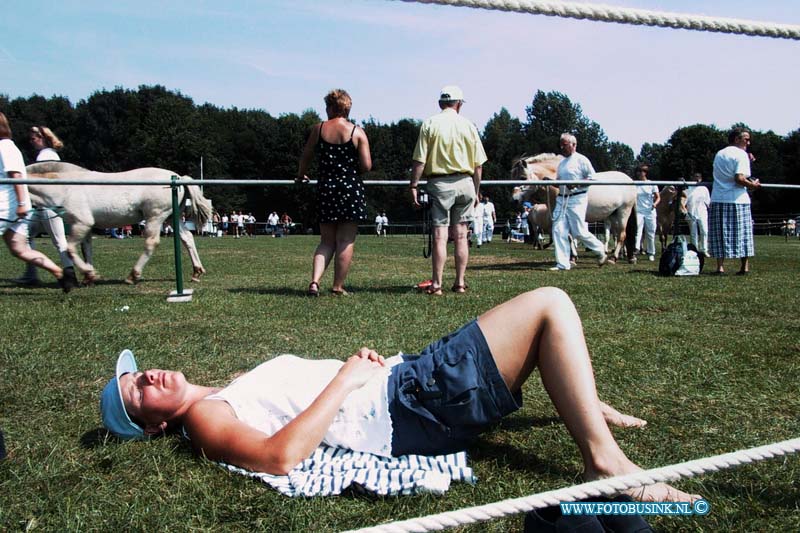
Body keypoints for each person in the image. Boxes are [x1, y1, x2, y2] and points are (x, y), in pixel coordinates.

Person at [100, 287, 699, 504]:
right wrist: (345, 378)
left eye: (141, 372)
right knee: (549, 305)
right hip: (409, 404)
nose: (149, 377)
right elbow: (280, 458)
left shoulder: (222, 393)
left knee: (537, 324)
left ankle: (585, 406)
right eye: (139, 393)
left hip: (407, 387)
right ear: (152, 427)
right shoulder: (205, 419)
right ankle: (602, 458)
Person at [410, 86, 486, 295]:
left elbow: (419, 159)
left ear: (440, 104)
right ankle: (460, 283)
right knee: (462, 236)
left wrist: (414, 185)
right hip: (465, 183)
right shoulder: (468, 125)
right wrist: (477, 191)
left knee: (440, 236)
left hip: (440, 184)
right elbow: (478, 165)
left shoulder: (430, 124)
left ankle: (437, 284)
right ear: (459, 104)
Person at [297, 89, 371, 296]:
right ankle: (337, 286)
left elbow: (306, 157)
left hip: (326, 188)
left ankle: (314, 281)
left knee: (326, 241)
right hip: (350, 188)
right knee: (345, 241)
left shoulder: (318, 129)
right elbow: (366, 165)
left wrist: (301, 174)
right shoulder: (357, 132)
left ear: (330, 107)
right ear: (347, 108)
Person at [0, 113, 74, 292]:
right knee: (20, 249)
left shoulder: (4, 147)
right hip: (14, 207)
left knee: (56, 241)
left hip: (5, 207)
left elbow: (16, 175)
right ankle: (58, 272)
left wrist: (21, 204)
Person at [16, 125, 78, 287]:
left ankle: (69, 275)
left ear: (42, 138)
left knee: (59, 241)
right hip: (43, 206)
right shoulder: (49, 154)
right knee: (27, 236)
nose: (31, 142)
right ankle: (31, 274)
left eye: (33, 138)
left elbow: (43, 181)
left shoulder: (46, 155)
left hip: (47, 206)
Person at [550, 134, 608, 271]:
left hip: (577, 199)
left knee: (579, 231)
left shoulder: (582, 160)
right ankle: (563, 263)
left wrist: (577, 185)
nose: (562, 147)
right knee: (558, 230)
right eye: (561, 145)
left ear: (573, 145)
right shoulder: (562, 163)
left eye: (565, 144)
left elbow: (593, 178)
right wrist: (550, 182)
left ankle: (600, 249)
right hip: (562, 199)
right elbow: (559, 183)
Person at [709, 127, 761, 275]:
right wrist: (753, 185)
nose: (748, 142)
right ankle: (744, 267)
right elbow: (739, 178)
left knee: (719, 234)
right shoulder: (741, 155)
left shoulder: (720, 153)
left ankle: (720, 267)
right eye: (746, 139)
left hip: (718, 198)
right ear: (737, 139)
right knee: (744, 234)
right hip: (737, 200)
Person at [633, 165, 660, 262]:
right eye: (638, 171)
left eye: (642, 171)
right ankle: (635, 250)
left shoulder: (651, 184)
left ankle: (651, 252)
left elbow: (658, 197)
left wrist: (655, 204)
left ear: (646, 173)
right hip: (639, 211)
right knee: (638, 231)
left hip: (650, 211)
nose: (640, 173)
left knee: (651, 233)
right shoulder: (635, 184)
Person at [686, 172, 710, 256]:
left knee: (704, 231)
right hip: (691, 213)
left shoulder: (704, 189)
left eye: (699, 177)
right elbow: (684, 202)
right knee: (693, 233)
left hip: (702, 213)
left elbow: (708, 203)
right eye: (695, 177)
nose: (697, 178)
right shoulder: (688, 188)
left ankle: (704, 249)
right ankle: (694, 250)